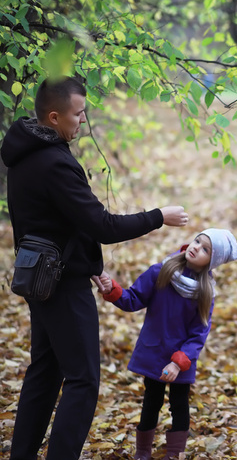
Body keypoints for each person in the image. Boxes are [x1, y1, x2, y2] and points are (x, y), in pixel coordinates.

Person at [1, 76, 189, 460]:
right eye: (78, 113)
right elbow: (102, 226)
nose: (83, 121)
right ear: (54, 117)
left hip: (38, 278)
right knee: (83, 380)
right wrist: (158, 216)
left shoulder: (24, 156)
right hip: (62, 284)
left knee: (45, 373)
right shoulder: (54, 163)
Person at [99, 228, 237, 459]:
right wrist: (112, 289)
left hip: (182, 360)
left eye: (205, 249)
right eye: (197, 241)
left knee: (179, 404)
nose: (196, 247)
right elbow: (133, 298)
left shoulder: (205, 292)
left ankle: (175, 453)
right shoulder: (161, 271)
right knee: (151, 401)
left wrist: (178, 363)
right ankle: (143, 452)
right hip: (155, 350)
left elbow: (199, 333)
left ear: (211, 261)